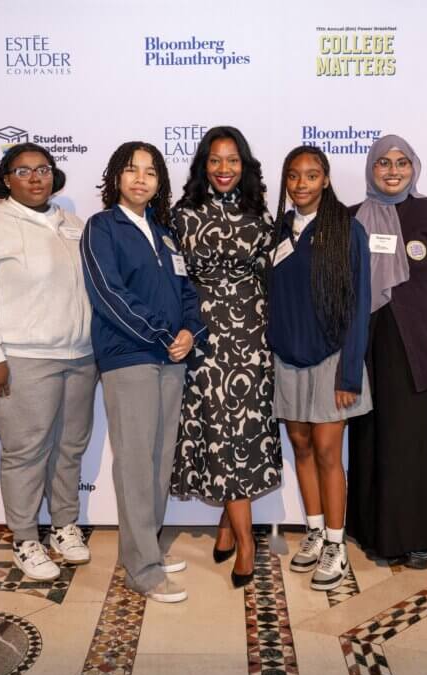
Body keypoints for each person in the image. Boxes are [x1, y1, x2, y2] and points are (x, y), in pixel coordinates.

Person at [0, 142, 96, 582]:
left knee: (70, 447)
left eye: (43, 169)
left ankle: (64, 526)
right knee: (26, 452)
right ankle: (25, 538)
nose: (35, 178)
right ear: (6, 178)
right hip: (20, 359)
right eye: (23, 171)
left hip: (80, 356)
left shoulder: (74, 225)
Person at [81, 141, 207, 603]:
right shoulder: (102, 228)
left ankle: (146, 547)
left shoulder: (164, 232)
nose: (140, 178)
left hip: (171, 359)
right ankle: (141, 568)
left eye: (150, 172)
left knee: (158, 461)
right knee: (135, 463)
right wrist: (161, 334)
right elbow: (108, 293)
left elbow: (187, 293)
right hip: (129, 357)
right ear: (116, 177)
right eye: (131, 170)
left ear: (159, 184)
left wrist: (191, 332)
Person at [346, 134, 427, 570]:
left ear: (414, 167)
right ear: (371, 168)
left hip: (425, 353)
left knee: (420, 447)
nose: (393, 171)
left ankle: (423, 537)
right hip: (371, 354)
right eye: (383, 163)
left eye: (401, 162)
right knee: (377, 443)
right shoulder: (352, 218)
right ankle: (377, 533)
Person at [169, 126, 281, 589]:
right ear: (202, 165)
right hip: (203, 337)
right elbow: (173, 279)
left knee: (244, 430)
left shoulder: (261, 215)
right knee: (218, 429)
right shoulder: (182, 216)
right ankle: (238, 531)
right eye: (215, 160)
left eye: (232, 160)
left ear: (245, 165)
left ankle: (241, 536)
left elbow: (275, 275)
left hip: (252, 336)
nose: (223, 169)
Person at [268, 145, 371, 591]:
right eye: (294, 176)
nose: (302, 183)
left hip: (332, 360)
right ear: (287, 182)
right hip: (287, 357)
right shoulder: (277, 232)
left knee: (329, 451)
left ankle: (335, 542)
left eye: (312, 175)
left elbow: (360, 304)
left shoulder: (347, 229)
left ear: (326, 180)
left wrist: (350, 373)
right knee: (301, 444)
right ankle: (312, 531)